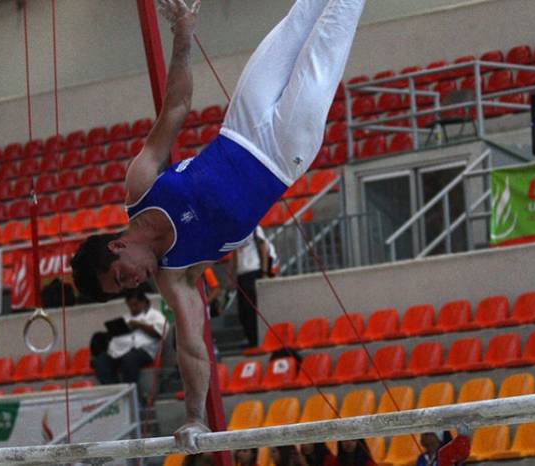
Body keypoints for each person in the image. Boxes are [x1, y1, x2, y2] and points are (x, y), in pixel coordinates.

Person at [70, 0, 366, 452]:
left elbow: (177, 107)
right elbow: (191, 346)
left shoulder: (140, 185)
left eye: (121, 277)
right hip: (284, 152)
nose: (135, 283)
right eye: (124, 289)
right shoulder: (177, 278)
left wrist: (183, 33)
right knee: (332, 31)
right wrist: (194, 417)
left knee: (302, 15)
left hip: (240, 124)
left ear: (115, 247)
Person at [92, 289, 167, 385]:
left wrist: (139, 325)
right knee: (100, 361)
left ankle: (129, 392)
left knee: (129, 359)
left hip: (144, 351)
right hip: (119, 351)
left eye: (135, 304)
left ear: (144, 302)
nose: (133, 308)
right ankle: (115, 391)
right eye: (130, 306)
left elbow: (160, 333)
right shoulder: (126, 317)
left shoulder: (155, 315)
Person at [230, 225, 270, 347]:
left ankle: (256, 340)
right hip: (241, 274)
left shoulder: (254, 228)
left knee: (251, 308)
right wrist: (233, 274)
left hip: (253, 270)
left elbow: (263, 247)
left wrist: (264, 271)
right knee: (243, 311)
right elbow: (235, 254)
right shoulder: (235, 231)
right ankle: (250, 338)